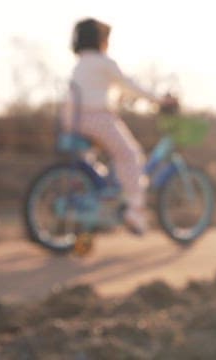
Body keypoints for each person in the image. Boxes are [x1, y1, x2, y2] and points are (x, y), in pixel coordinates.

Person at [66, 18, 174, 235]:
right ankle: (134, 211)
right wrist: (159, 100)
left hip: (72, 120)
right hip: (96, 118)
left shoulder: (81, 64)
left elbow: (111, 89)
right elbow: (129, 85)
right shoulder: (103, 62)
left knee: (100, 160)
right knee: (131, 156)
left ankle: (98, 202)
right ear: (100, 40)